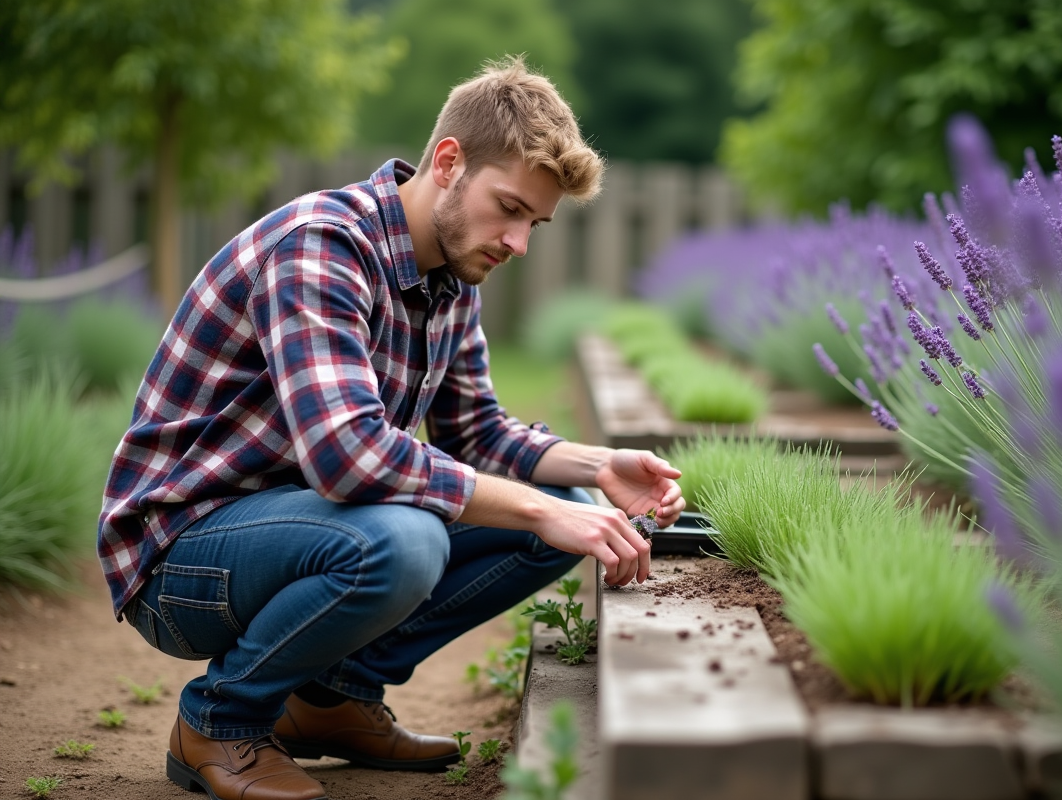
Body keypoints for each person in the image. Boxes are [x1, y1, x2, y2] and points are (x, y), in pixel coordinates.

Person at [97, 55, 685, 800]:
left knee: (570, 513)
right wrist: (533, 506)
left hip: (297, 530)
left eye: (534, 223)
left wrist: (596, 467)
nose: (519, 242)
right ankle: (219, 720)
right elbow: (349, 459)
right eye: (508, 208)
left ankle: (330, 698)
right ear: (448, 162)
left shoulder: (449, 274)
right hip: (179, 554)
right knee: (406, 541)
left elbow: (478, 431)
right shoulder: (320, 246)